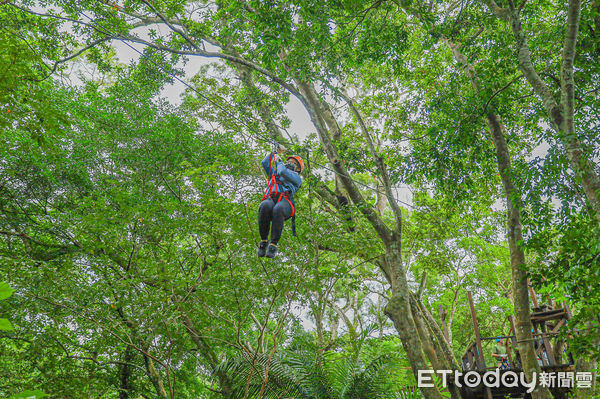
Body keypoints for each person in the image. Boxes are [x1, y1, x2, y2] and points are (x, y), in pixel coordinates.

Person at [257, 146, 304, 258]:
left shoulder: (297, 178)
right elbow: (264, 163)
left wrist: (279, 161)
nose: (290, 163)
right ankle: (263, 242)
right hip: (272, 199)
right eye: (289, 161)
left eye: (294, 163)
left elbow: (282, 171)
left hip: (285, 202)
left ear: (297, 169)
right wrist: (275, 152)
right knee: (264, 205)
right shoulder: (275, 174)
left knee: (279, 209)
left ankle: (273, 245)